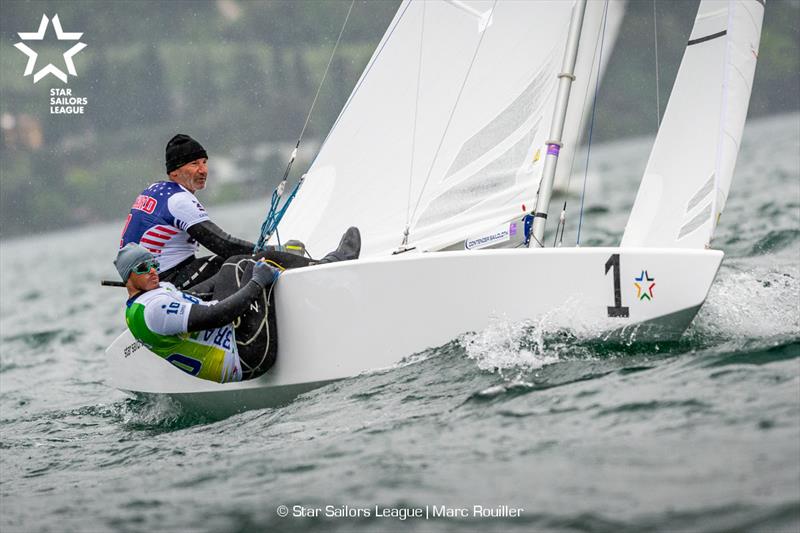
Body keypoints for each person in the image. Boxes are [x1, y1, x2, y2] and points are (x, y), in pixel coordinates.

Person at [115, 242, 281, 383]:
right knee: (255, 264)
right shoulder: (154, 309)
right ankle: (302, 262)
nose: (152, 270)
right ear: (127, 277)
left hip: (233, 340)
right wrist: (257, 282)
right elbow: (219, 316)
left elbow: (199, 294)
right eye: (143, 267)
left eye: (154, 264)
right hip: (246, 355)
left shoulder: (153, 295)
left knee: (234, 264)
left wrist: (226, 272)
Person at [119, 134, 262, 289]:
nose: (203, 170)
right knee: (237, 263)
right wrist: (269, 252)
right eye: (194, 164)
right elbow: (223, 244)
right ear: (174, 172)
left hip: (144, 280)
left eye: (205, 162)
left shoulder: (154, 190)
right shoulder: (178, 200)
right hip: (164, 280)